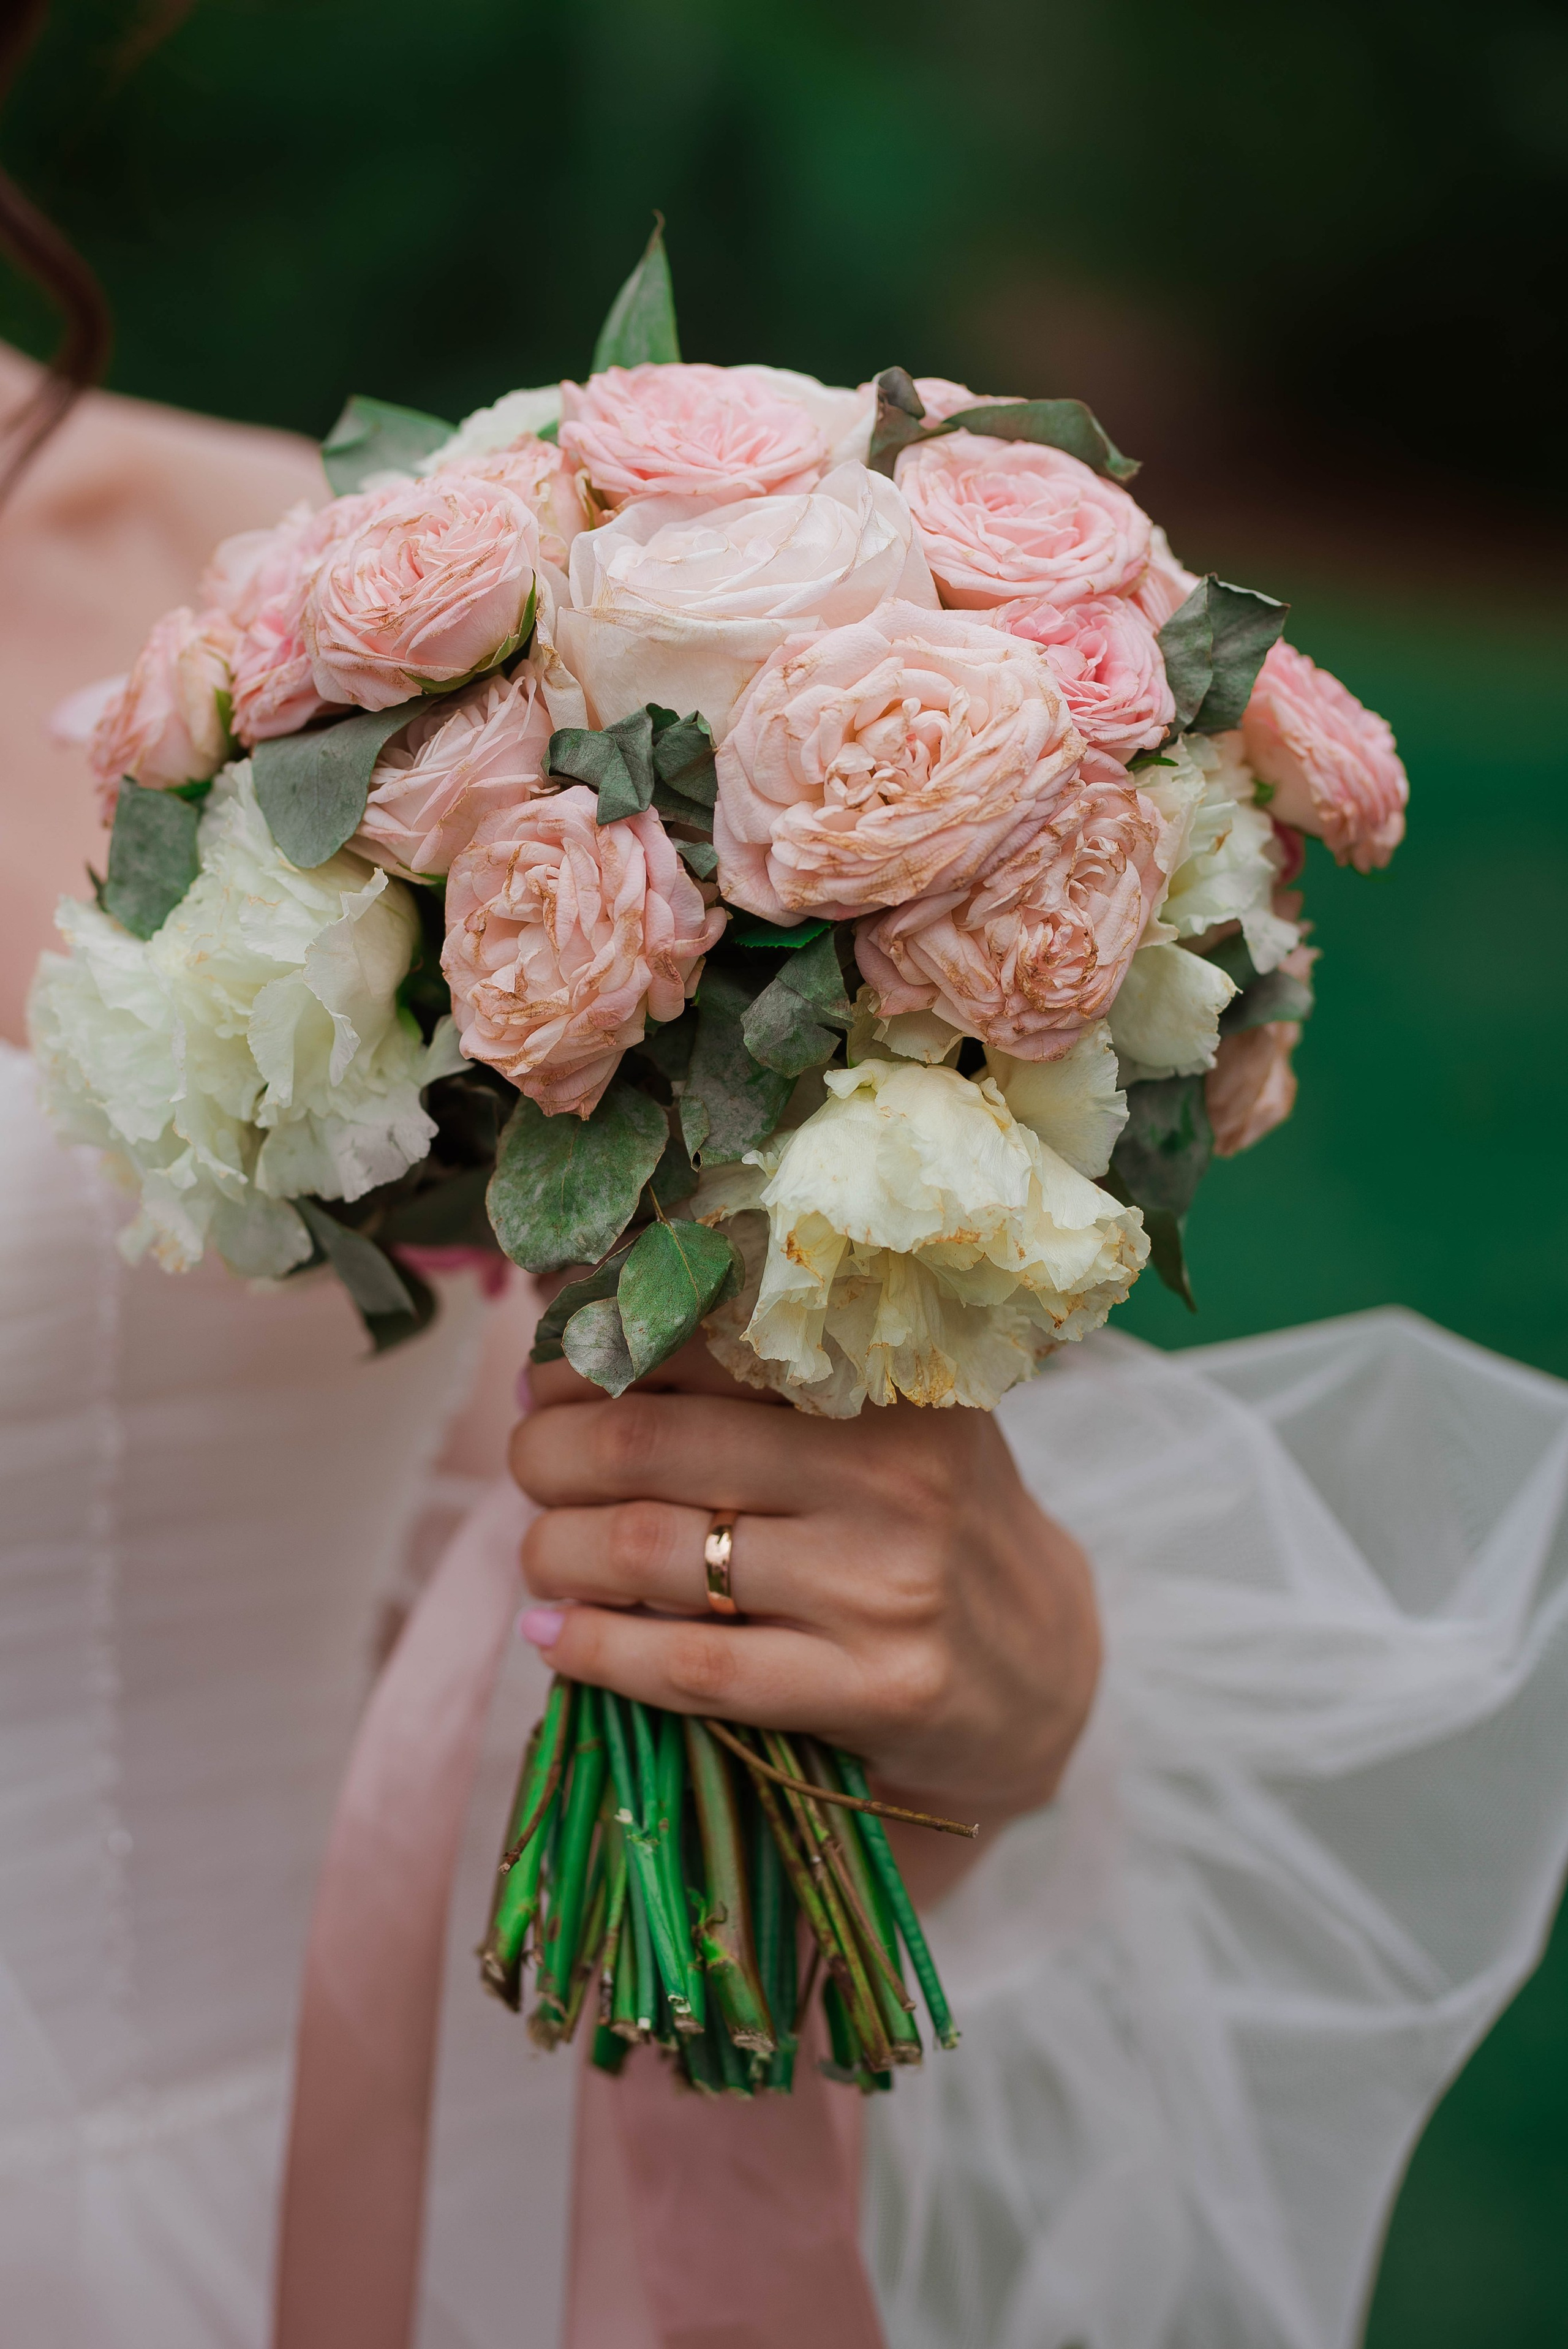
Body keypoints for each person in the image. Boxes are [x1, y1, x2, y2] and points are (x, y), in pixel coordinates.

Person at [4, 338, 1568, 2349]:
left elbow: (522, 1545)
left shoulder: (313, 616)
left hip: (388, 2152)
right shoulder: (349, 649)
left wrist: (934, 1709)